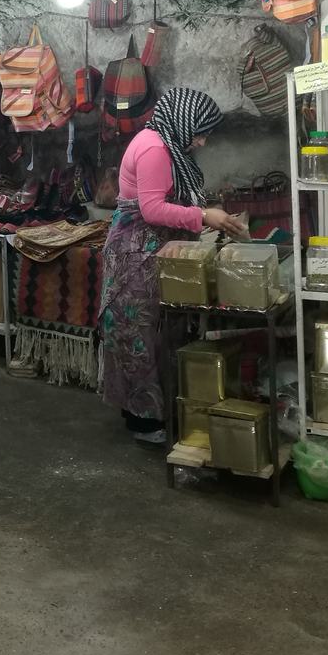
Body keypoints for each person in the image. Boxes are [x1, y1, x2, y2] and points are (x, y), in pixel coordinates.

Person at [98, 88, 245, 442]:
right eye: (200, 133)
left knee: (155, 334)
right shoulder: (154, 149)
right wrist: (203, 215)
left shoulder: (166, 143)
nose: (202, 142)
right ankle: (144, 420)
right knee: (139, 335)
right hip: (137, 255)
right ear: (184, 122)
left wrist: (206, 214)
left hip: (153, 252)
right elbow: (152, 209)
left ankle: (145, 409)